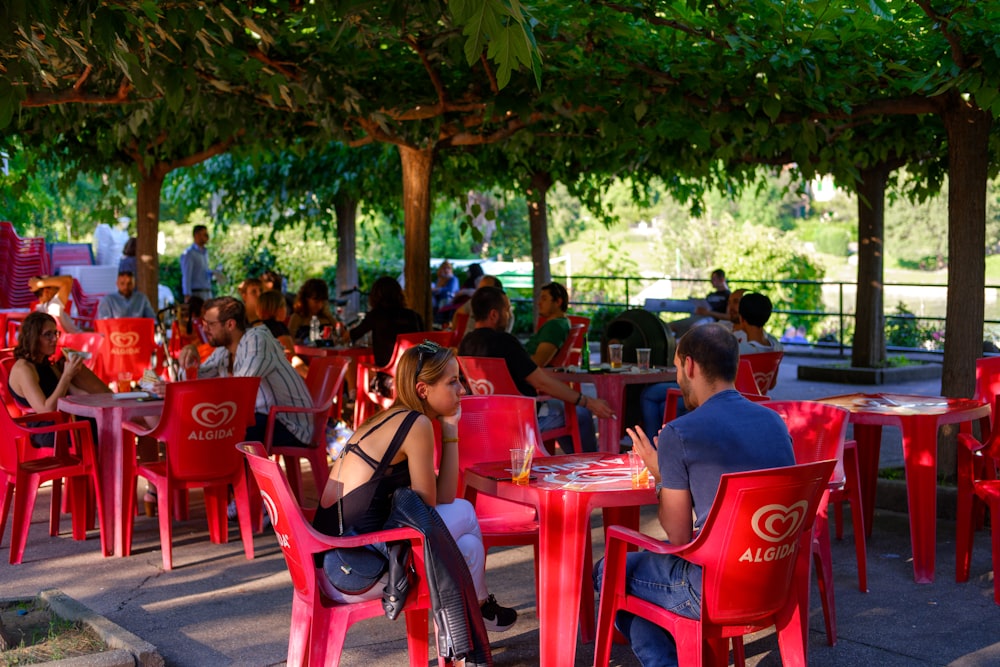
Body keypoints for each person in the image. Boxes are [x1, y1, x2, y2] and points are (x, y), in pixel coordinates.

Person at [593, 324, 795, 667]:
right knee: (645, 602)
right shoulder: (774, 422)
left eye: (675, 368)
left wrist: (661, 476)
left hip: (710, 588)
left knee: (609, 570)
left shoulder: (680, 432)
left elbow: (678, 535)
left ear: (689, 366)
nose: (677, 377)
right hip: (776, 580)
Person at [313, 340, 518, 632]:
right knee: (465, 511)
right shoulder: (416, 424)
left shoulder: (389, 418)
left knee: (468, 546)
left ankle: (473, 624)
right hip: (352, 568)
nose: (462, 389)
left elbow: (441, 497)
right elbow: (431, 506)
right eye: (453, 382)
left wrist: (450, 427)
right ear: (423, 390)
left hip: (332, 560)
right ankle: (480, 610)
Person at [457, 286, 613, 453]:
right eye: (507, 310)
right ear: (494, 315)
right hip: (521, 420)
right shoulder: (505, 342)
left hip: (485, 419)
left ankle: (574, 461)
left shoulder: (466, 343)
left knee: (564, 410)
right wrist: (589, 402)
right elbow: (542, 382)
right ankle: (589, 464)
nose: (509, 315)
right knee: (580, 413)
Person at [177, 297, 313, 449]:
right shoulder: (223, 350)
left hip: (291, 423)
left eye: (210, 324)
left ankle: (234, 473)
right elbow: (196, 380)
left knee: (221, 434)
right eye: (204, 323)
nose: (205, 329)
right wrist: (190, 352)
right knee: (202, 431)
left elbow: (240, 389)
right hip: (262, 417)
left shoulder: (257, 339)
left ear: (230, 324)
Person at [7, 311, 111, 416]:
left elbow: (76, 393)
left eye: (55, 333)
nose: (54, 339)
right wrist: (67, 375)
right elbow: (46, 410)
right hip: (50, 428)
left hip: (67, 421)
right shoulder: (23, 369)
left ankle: (113, 402)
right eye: (48, 334)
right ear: (33, 337)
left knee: (102, 415)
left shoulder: (46, 364)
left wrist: (99, 403)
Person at [349, 276, 424, 368]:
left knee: (351, 363)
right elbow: (422, 339)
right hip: (412, 367)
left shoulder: (375, 315)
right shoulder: (414, 316)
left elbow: (353, 335)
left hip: (387, 367)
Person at [254, 289, 308, 378]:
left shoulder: (255, 327)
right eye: (284, 305)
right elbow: (290, 357)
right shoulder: (278, 328)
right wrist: (309, 375)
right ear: (278, 309)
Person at [669, 268, 731, 336]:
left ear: (722, 279)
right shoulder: (710, 295)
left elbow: (728, 316)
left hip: (710, 320)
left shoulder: (729, 296)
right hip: (699, 316)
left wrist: (708, 313)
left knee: (694, 328)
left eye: (714, 279)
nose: (712, 282)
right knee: (671, 326)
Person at [525, 282, 570, 367]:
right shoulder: (563, 322)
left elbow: (537, 362)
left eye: (544, 299)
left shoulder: (555, 326)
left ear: (558, 302)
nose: (539, 303)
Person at [288, 278, 338, 343]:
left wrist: (330, 317)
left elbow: (343, 335)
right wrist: (301, 341)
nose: (320, 305)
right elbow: (288, 341)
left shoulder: (327, 317)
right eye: (316, 301)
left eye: (322, 301)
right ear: (306, 299)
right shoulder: (297, 317)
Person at [180, 224, 214, 302]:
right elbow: (186, 275)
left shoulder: (205, 253)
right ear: (197, 235)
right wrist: (187, 294)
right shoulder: (189, 254)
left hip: (207, 291)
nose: (207, 237)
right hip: (196, 293)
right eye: (204, 235)